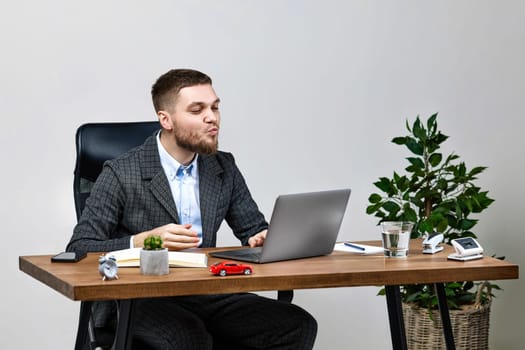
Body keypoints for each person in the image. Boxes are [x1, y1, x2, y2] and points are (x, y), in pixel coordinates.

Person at [67, 68, 317, 349]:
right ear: (166, 119)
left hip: (203, 289)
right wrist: (141, 242)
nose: (212, 117)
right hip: (134, 296)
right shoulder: (120, 172)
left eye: (215, 107)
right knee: (188, 338)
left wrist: (264, 237)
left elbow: (252, 228)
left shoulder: (223, 167)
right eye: (197, 110)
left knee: (295, 326)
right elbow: (79, 248)